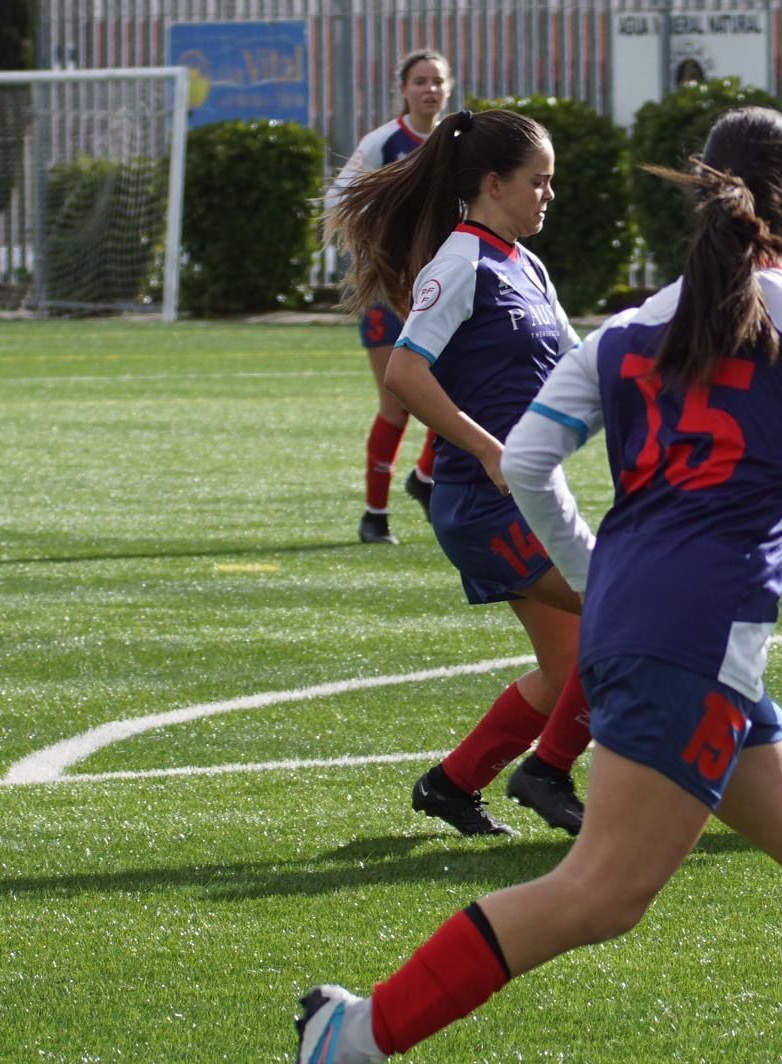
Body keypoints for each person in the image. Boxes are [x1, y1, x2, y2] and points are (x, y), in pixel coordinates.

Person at [295, 106, 782, 1064]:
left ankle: (357, 1031)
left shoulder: (628, 328)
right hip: (699, 638)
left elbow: (532, 461)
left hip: (667, 629)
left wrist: (599, 572)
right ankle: (356, 1035)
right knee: (601, 892)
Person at [323, 108, 591, 840]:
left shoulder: (524, 264)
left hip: (532, 498)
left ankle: (451, 784)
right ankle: (548, 773)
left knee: (568, 664)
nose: (549, 195)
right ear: (494, 183)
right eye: (538, 182)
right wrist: (486, 448)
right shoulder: (461, 261)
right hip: (484, 505)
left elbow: (582, 364)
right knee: (621, 620)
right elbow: (407, 375)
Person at [328, 48, 452, 545]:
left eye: (437, 81)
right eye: (420, 81)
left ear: (449, 87)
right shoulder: (383, 143)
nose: (430, 89)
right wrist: (382, 242)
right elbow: (339, 202)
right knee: (396, 403)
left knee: (453, 394)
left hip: (442, 287)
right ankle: (374, 515)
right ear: (403, 90)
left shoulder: (459, 140)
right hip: (387, 290)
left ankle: (424, 479)